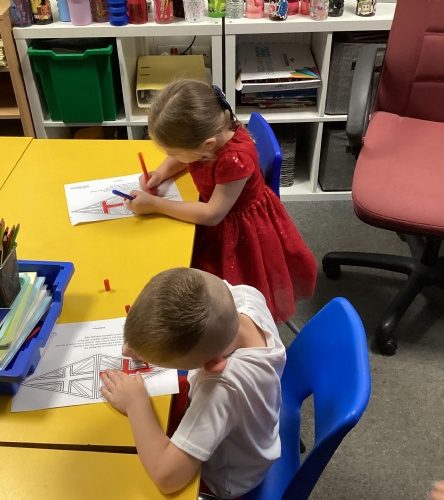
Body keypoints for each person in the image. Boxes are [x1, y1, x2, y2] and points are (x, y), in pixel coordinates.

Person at [124, 79, 317, 323]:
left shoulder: (235, 160)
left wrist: (155, 205)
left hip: (237, 229)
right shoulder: (213, 130)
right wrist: (161, 173)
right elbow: (185, 154)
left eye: (172, 152)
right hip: (219, 213)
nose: (171, 156)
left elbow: (212, 214)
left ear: (207, 145)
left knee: (219, 294)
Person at [100, 267, 286, 499]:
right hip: (252, 426)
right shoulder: (244, 296)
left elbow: (167, 477)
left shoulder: (221, 387)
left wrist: (135, 403)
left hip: (227, 476)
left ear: (212, 365)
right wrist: (143, 343)